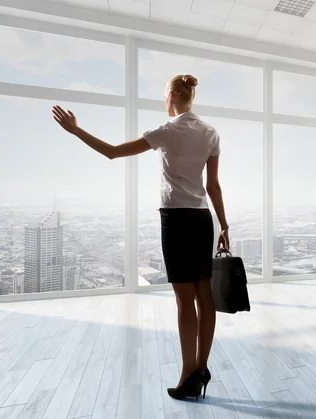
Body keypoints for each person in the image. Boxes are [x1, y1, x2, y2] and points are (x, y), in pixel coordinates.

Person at [52, 74, 228, 401]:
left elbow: (112, 152)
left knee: (184, 298)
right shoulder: (211, 133)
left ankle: (188, 372)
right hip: (203, 219)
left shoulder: (165, 131)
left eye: (165, 95)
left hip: (175, 220)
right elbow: (213, 186)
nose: (164, 100)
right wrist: (225, 226)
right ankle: (202, 367)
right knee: (205, 295)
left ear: (174, 95)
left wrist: (76, 130)